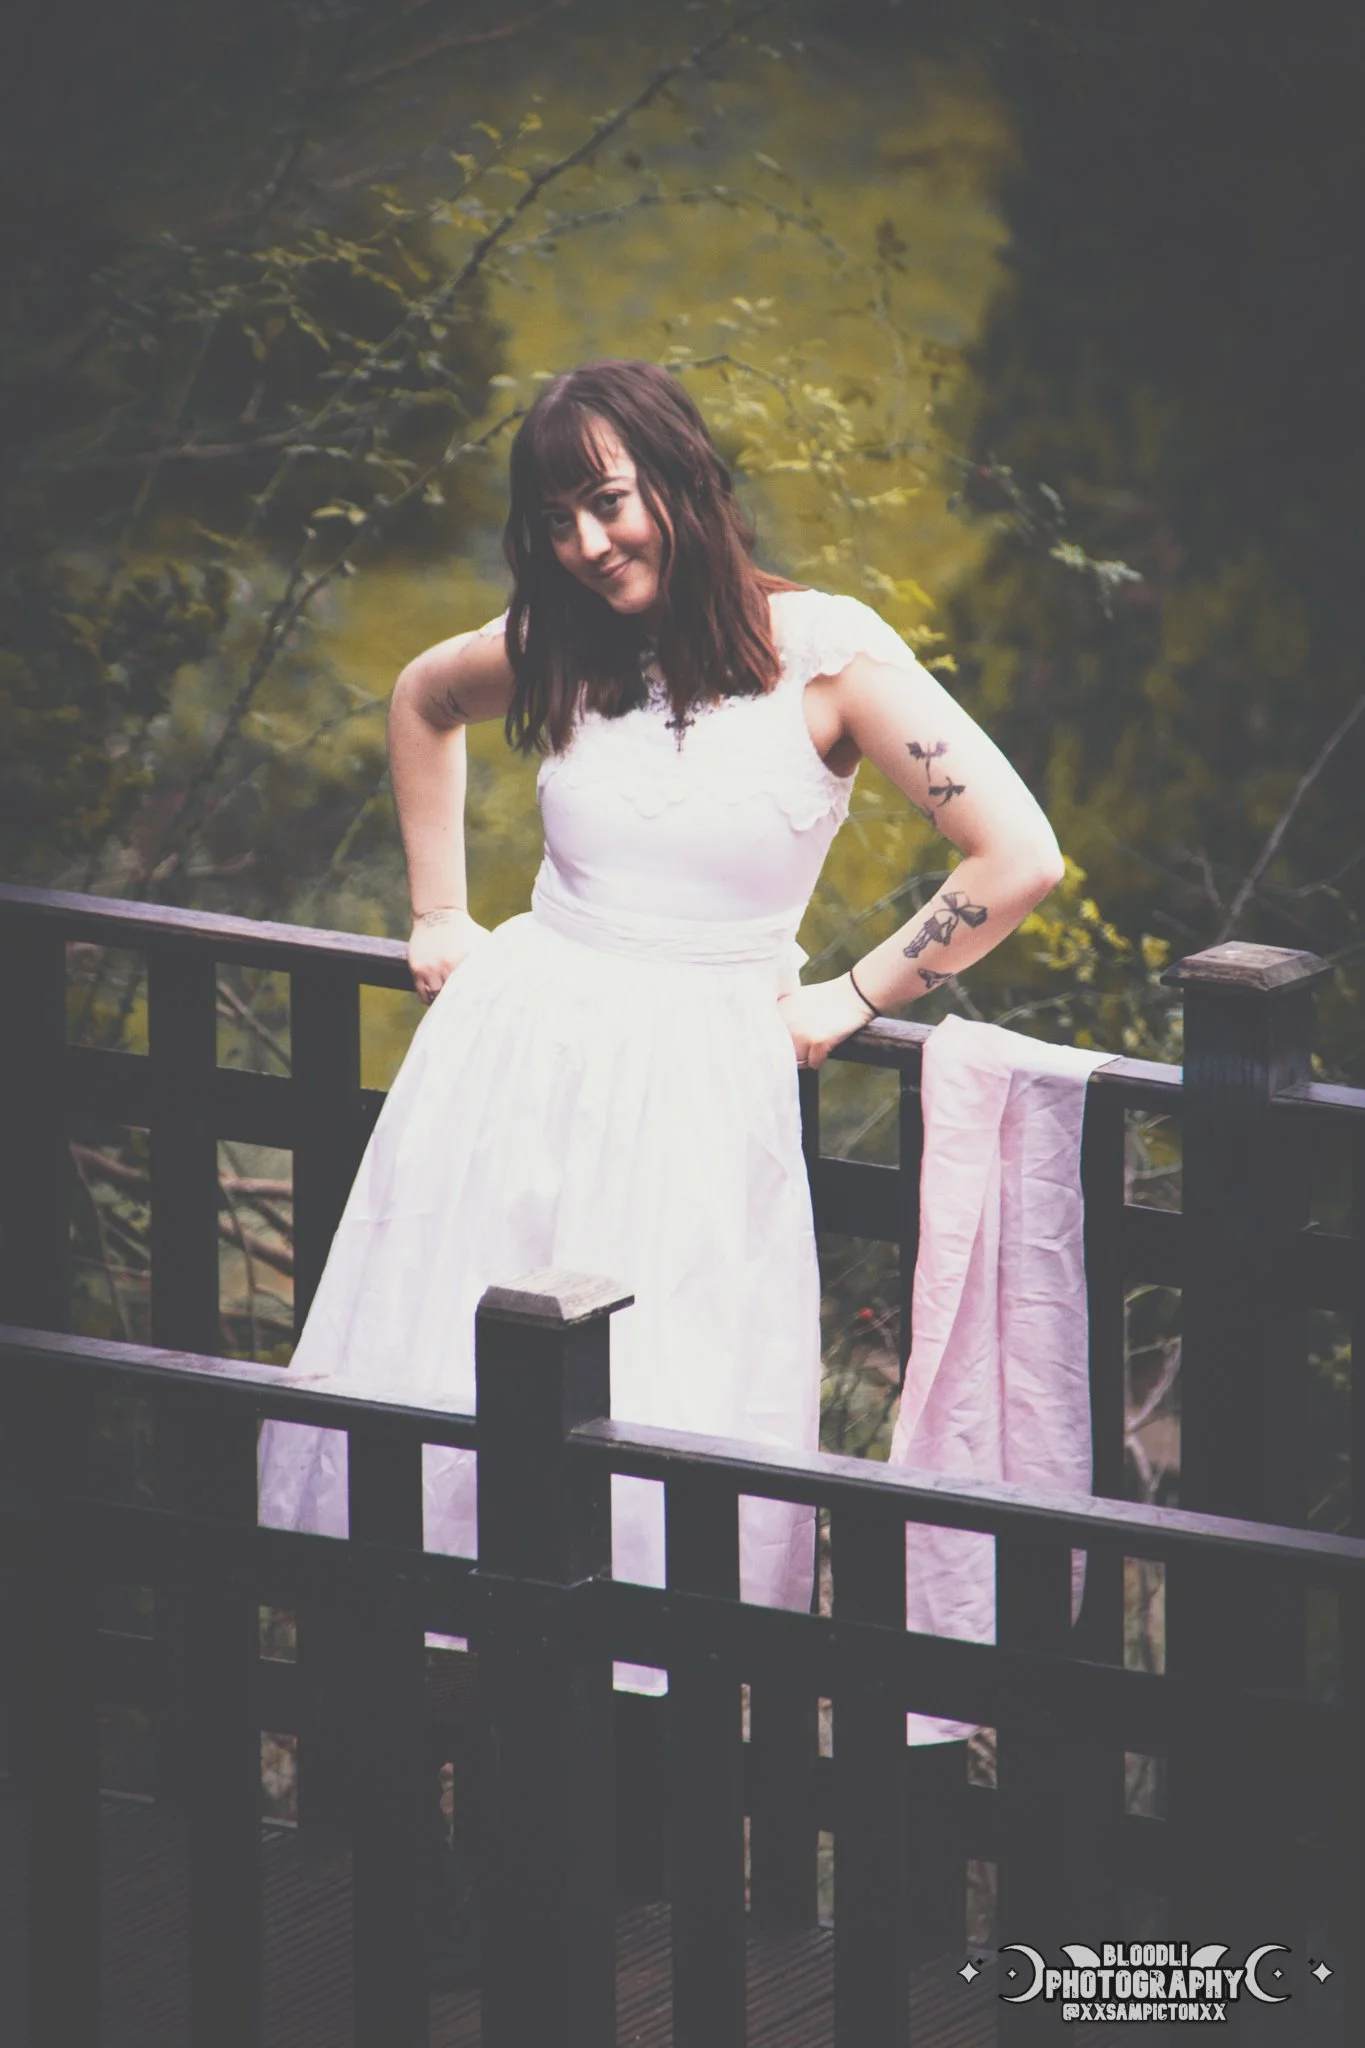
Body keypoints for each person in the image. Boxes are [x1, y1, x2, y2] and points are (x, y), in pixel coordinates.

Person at [257, 358, 1064, 1683]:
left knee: (662, 1407)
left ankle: (622, 1749)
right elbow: (420, 697)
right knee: (448, 1389)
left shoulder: (828, 656)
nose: (587, 543)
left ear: (682, 481)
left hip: (696, 1087)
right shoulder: (563, 640)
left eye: (610, 502)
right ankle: (443, 1723)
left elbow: (1017, 855)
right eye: (556, 521)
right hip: (511, 1062)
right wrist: (440, 909)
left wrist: (855, 993)